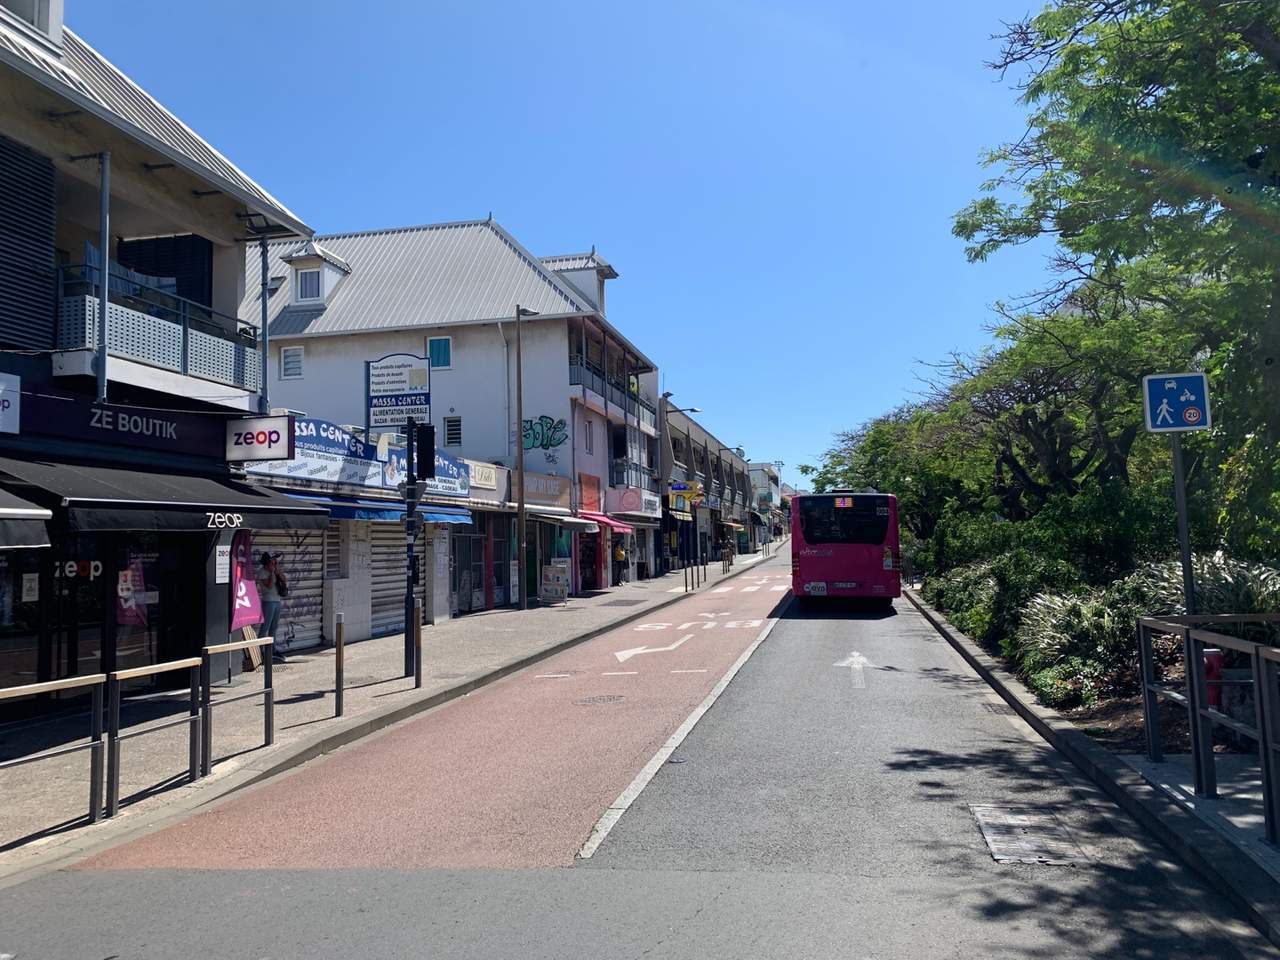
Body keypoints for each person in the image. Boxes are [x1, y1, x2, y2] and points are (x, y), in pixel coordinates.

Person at [257, 551, 288, 662]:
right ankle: (259, 650)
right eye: (272, 561)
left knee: (273, 627)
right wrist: (271, 573)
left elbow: (284, 579)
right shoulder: (262, 572)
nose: (274, 563)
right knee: (265, 627)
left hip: (277, 601)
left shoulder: (275, 570)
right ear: (267, 562)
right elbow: (269, 586)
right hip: (268, 602)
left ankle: (272, 649)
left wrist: (276, 571)